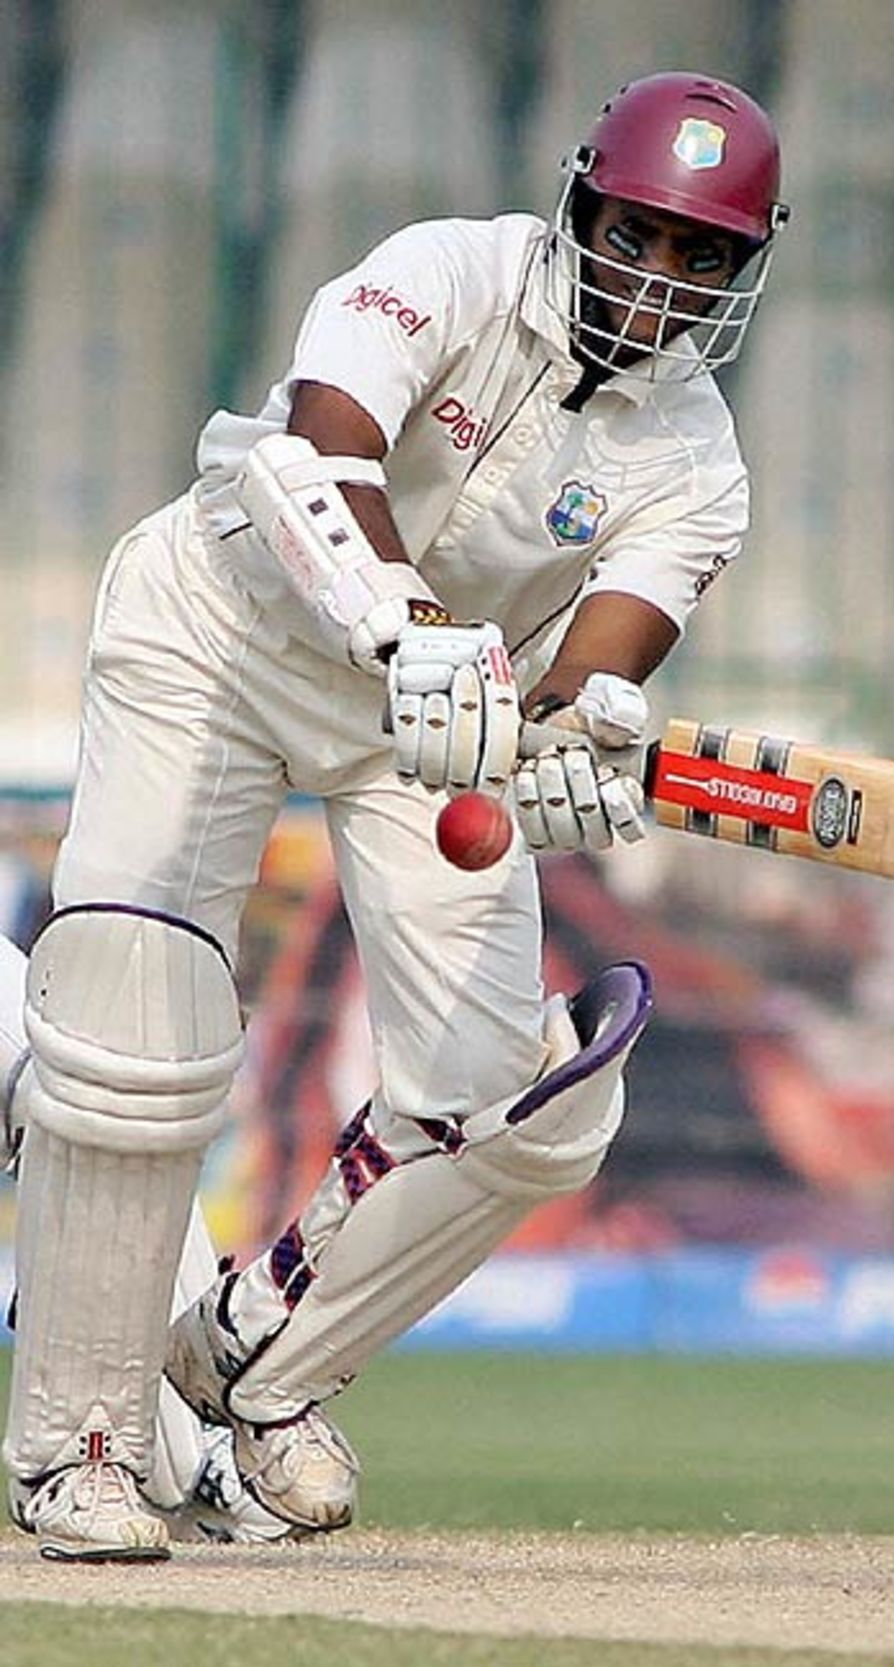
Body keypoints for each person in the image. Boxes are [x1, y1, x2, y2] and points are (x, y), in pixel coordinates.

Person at [3, 69, 787, 1561]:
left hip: (429, 724)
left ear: (741, 272)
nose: (656, 276)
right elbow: (318, 448)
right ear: (581, 207)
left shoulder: (698, 469)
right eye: (635, 233)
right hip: (223, 627)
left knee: (527, 1102)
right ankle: (80, 1446)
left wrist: (574, 744)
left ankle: (252, 1361)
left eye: (700, 255)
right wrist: (412, 624)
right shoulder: (448, 269)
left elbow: (598, 666)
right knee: (135, 1019)